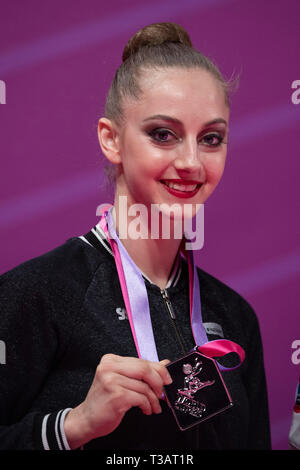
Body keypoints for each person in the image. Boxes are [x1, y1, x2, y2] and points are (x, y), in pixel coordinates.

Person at [0, 22, 271, 450]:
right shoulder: (35, 294)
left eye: (211, 138)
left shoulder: (235, 317)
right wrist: (73, 426)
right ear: (111, 139)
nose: (191, 162)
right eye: (163, 134)